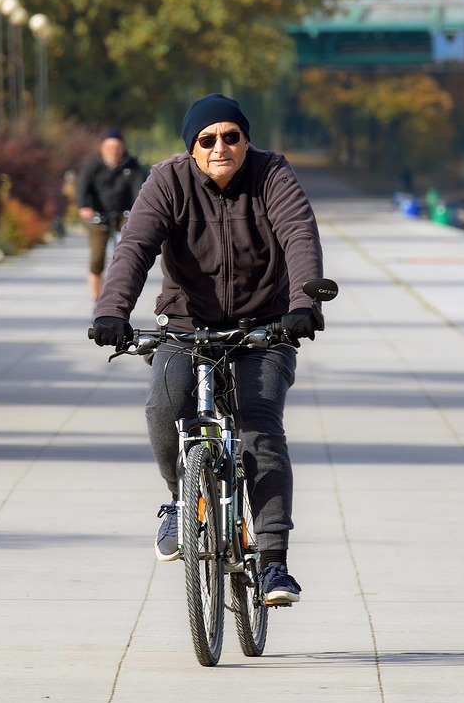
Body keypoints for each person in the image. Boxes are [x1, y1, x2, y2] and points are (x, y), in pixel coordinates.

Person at [90, 93, 325, 605]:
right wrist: (111, 312)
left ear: (246, 141)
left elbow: (299, 235)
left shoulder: (272, 175)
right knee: (164, 405)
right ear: (192, 148)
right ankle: (180, 501)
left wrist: (303, 304)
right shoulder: (167, 181)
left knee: (259, 429)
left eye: (231, 137)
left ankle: (273, 563)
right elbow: (135, 246)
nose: (221, 147)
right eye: (207, 139)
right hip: (185, 325)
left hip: (264, 327)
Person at [75, 129, 147, 301]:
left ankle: (120, 297)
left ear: (123, 148)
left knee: (126, 254)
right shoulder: (93, 166)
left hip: (125, 214)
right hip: (99, 215)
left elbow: (140, 190)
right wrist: (84, 207)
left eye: (117, 147)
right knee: (97, 259)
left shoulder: (133, 167)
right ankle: (96, 300)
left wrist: (139, 212)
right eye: (109, 147)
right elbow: (82, 186)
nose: (113, 151)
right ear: (102, 148)